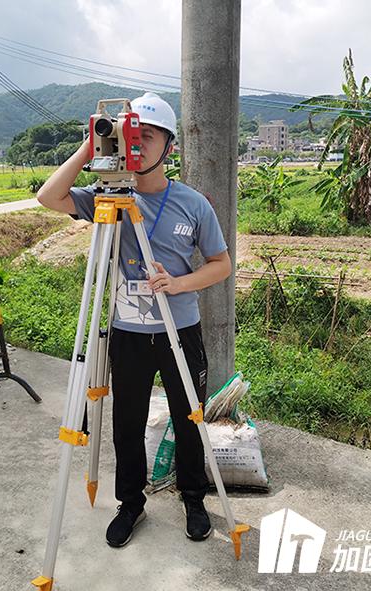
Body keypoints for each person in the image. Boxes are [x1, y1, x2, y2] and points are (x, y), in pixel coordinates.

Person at [36, 92, 232, 548]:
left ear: (169, 146)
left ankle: (194, 497)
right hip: (126, 332)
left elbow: (221, 264)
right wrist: (94, 141)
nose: (137, 144)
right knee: (127, 420)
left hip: (179, 327)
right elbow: (49, 196)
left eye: (146, 136)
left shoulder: (192, 204)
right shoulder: (105, 198)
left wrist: (180, 284)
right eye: (131, 135)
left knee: (189, 416)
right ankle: (131, 504)